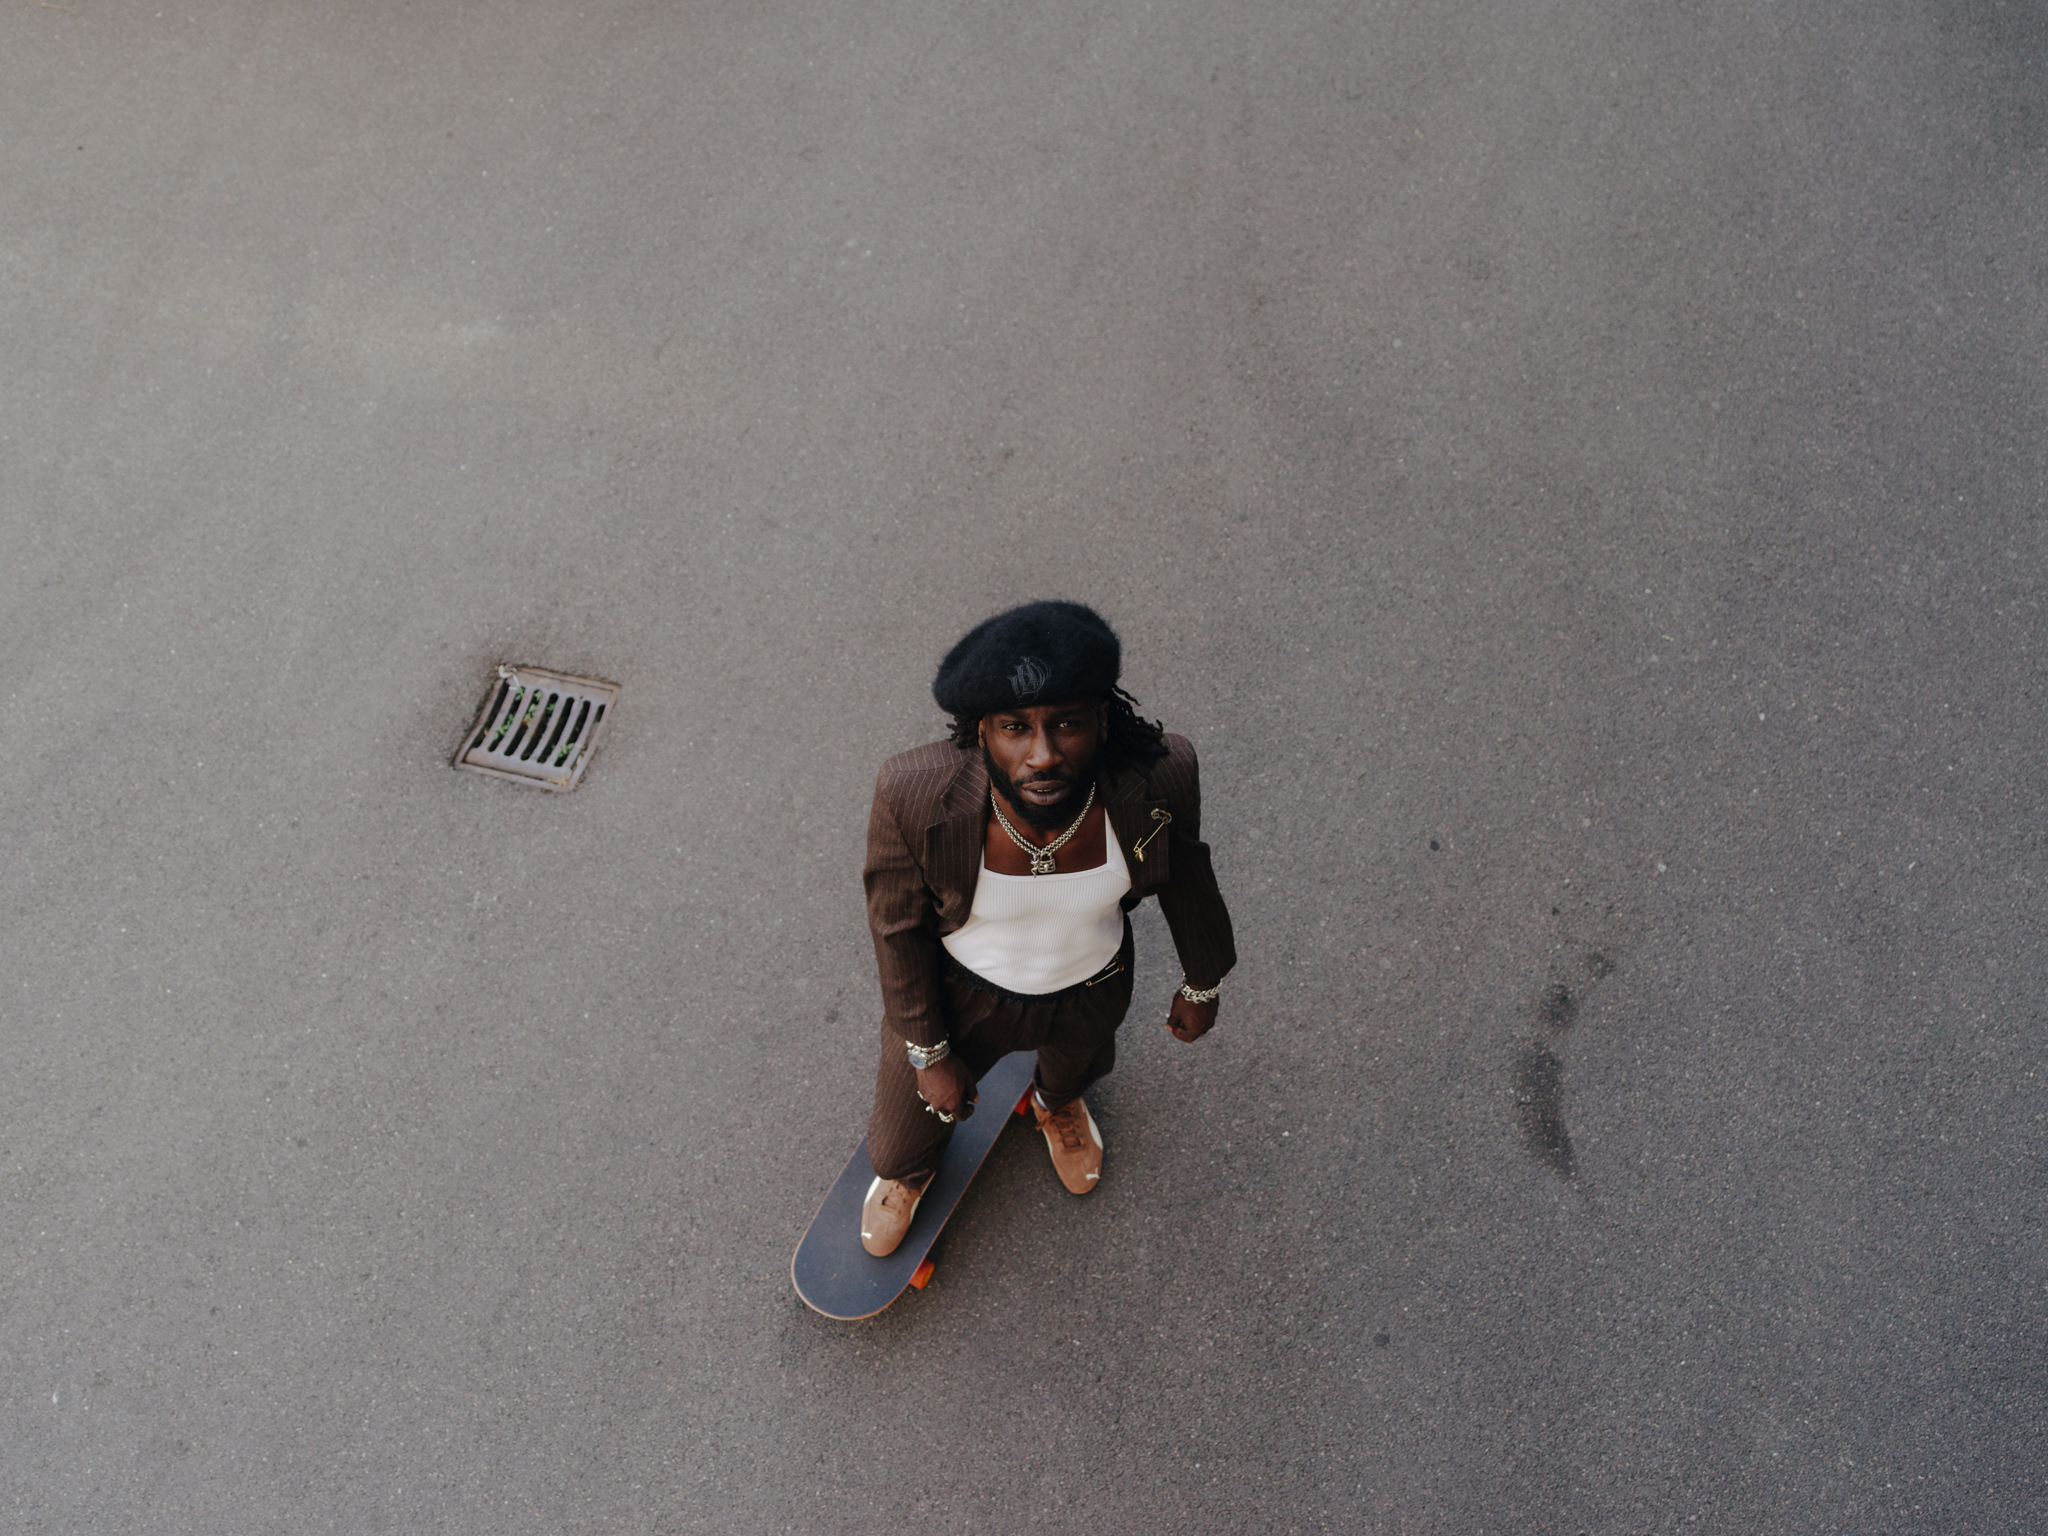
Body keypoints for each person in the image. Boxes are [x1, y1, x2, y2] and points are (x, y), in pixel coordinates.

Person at [857, 600, 1236, 1256]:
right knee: (894, 1146)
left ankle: (1053, 1106)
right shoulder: (913, 793)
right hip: (960, 996)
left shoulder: (1160, 777)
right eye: (1015, 727)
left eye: (1068, 724)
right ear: (980, 731)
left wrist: (1203, 984)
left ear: (1103, 722)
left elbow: (1187, 879)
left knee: (1071, 1075)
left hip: (1092, 986)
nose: (1043, 755)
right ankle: (911, 1172)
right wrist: (930, 1053)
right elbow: (896, 931)